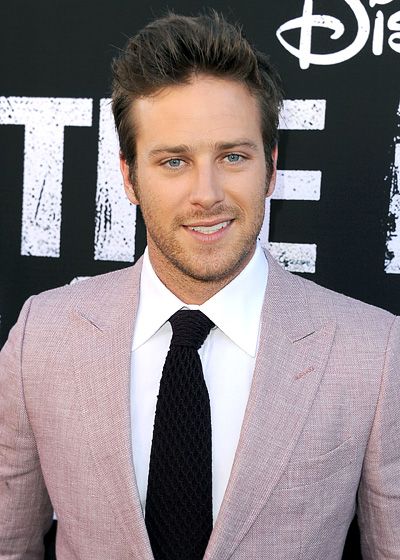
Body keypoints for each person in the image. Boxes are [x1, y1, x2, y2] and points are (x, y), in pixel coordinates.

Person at [0, 11, 399, 560]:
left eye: (233, 156)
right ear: (129, 176)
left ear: (271, 167)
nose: (206, 193)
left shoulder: (373, 353)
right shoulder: (41, 337)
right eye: (173, 161)